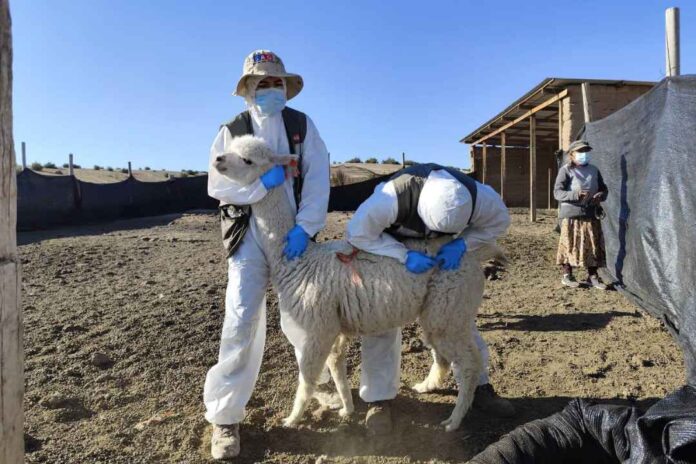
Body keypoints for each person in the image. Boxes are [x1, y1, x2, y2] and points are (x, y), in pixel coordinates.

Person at [205, 50, 330, 460]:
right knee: (242, 317)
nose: (271, 88)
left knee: (304, 312)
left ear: (286, 87)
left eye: (277, 82)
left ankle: (317, 387)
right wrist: (261, 186)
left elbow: (317, 176)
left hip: (291, 230)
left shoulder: (301, 126)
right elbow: (218, 185)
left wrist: (306, 228)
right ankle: (225, 417)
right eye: (262, 83)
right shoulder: (233, 129)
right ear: (247, 90)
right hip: (248, 233)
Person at [345, 163, 515, 435]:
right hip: (391, 248)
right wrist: (403, 255)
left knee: (455, 320)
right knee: (381, 321)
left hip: (448, 247)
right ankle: (378, 398)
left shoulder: (481, 198)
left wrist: (463, 244)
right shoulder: (388, 200)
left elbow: (499, 223)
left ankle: (478, 385)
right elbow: (357, 234)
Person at [554, 140, 609, 290]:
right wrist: (575, 195)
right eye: (580, 152)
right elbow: (557, 193)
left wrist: (601, 195)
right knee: (569, 244)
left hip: (590, 212)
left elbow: (604, 189)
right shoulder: (566, 170)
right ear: (571, 154)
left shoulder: (594, 170)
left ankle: (593, 276)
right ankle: (567, 275)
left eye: (586, 151)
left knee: (592, 245)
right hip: (572, 215)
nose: (583, 155)